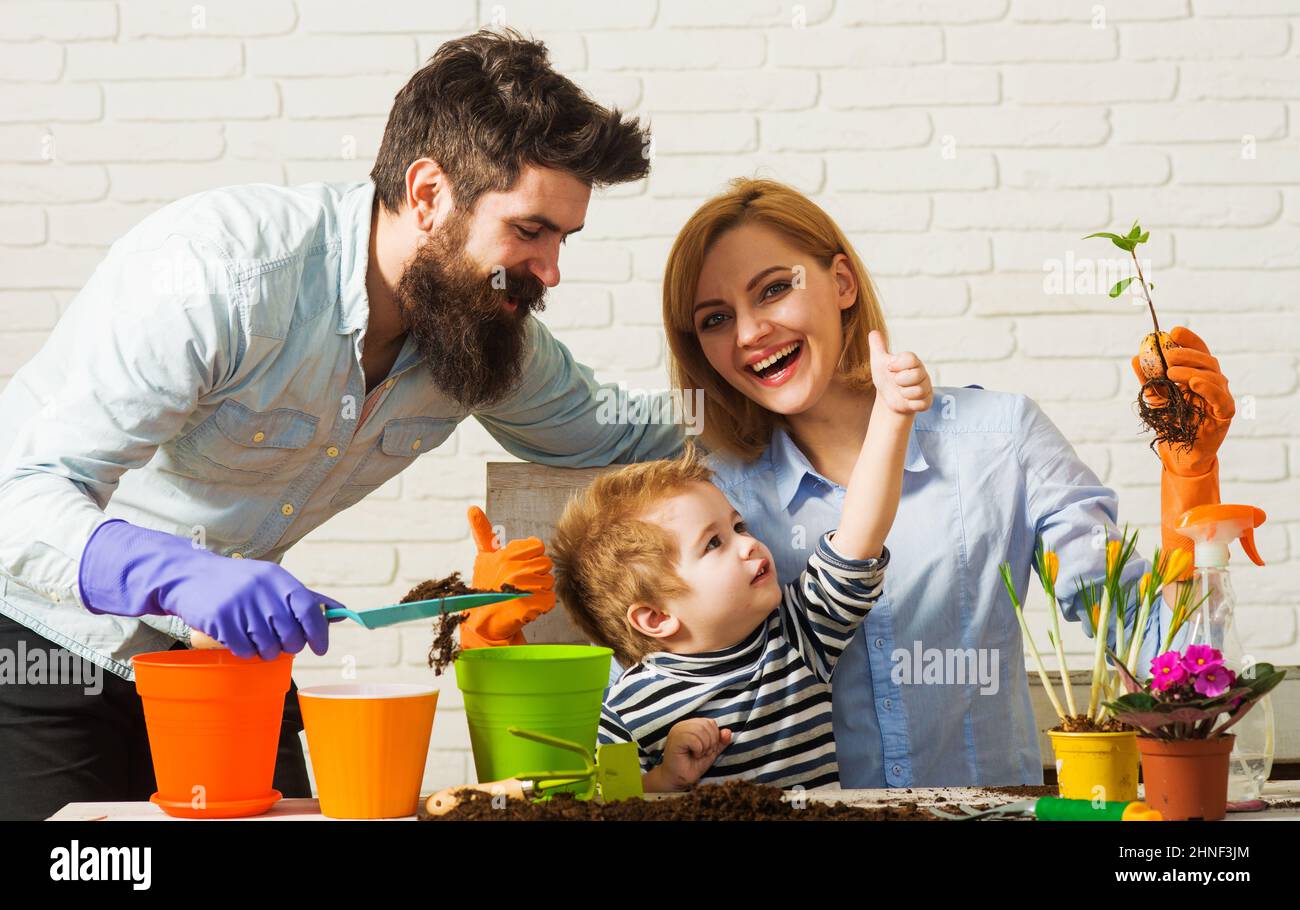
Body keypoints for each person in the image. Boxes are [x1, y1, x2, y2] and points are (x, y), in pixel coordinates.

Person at [0, 29, 685, 820]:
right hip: (46, 654)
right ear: (428, 193)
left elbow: (622, 433)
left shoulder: (482, 329)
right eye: (529, 231)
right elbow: (17, 496)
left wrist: (802, 415)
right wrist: (180, 575)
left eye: (563, 238)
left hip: (230, 676)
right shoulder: (220, 276)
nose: (551, 270)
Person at [656, 178, 1190, 788]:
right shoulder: (715, 501)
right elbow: (669, 681)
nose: (748, 333)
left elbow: (1144, 634)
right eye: (716, 318)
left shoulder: (1000, 439)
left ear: (842, 283)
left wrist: (1190, 479)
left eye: (775, 289)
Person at [551, 329, 931, 791]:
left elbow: (859, 536)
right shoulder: (626, 710)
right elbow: (600, 798)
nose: (748, 544)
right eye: (713, 544)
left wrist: (891, 416)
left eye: (738, 527)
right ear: (654, 617)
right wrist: (666, 779)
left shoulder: (798, 633)